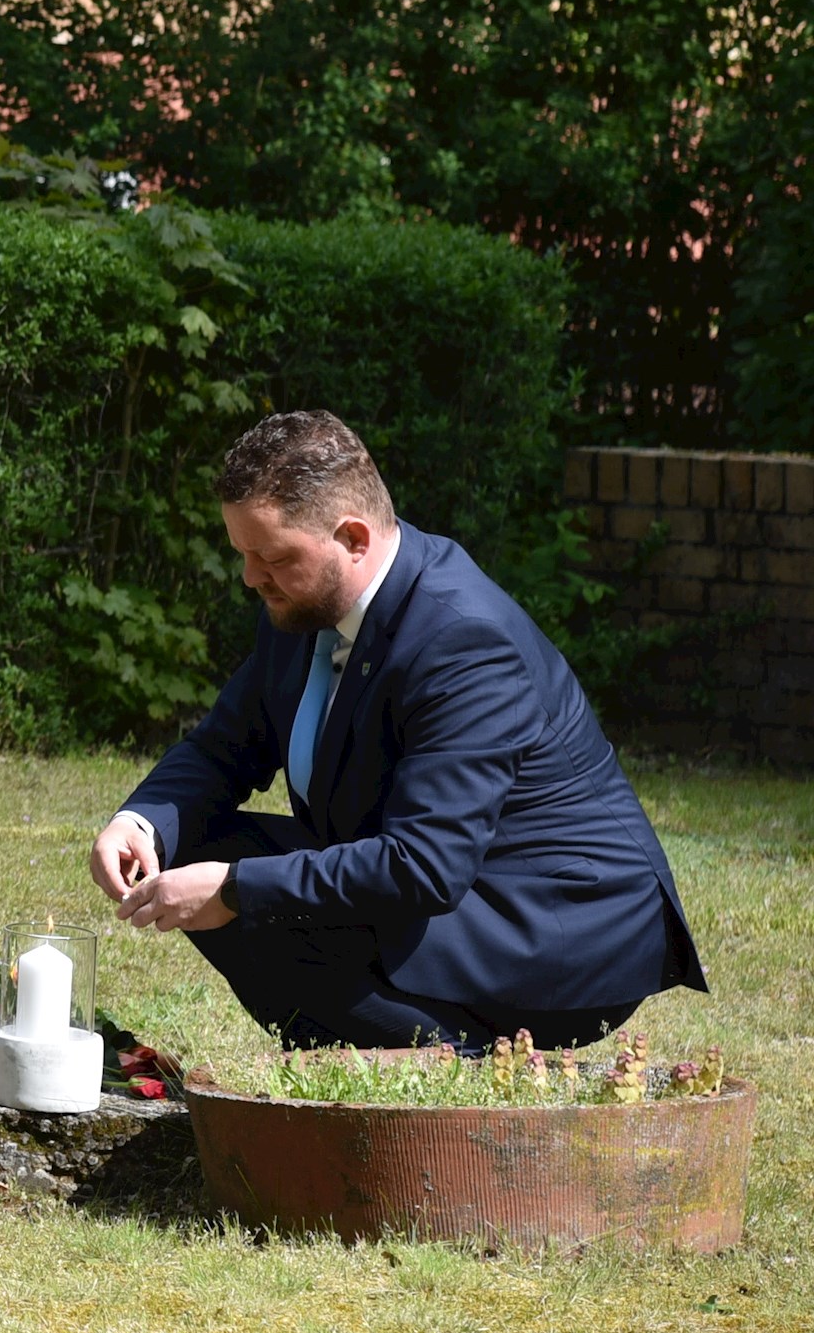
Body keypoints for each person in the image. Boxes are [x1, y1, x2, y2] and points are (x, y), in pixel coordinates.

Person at [98, 409, 704, 1049]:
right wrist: (139, 822)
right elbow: (224, 747)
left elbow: (425, 866)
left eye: (271, 556)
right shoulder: (304, 603)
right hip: (452, 891)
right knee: (193, 846)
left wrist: (237, 888)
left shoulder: (464, 642)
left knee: (246, 890)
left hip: (550, 933)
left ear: (354, 539)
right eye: (243, 553)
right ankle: (349, 1047)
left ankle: (445, 1058)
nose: (250, 577)